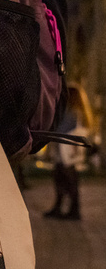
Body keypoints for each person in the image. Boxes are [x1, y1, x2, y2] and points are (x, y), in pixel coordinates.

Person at [44, 91, 90, 221]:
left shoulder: (72, 112)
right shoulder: (77, 112)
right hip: (67, 154)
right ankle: (64, 208)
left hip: (66, 154)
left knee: (67, 181)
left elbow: (61, 130)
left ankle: (71, 210)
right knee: (65, 180)